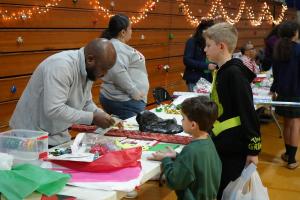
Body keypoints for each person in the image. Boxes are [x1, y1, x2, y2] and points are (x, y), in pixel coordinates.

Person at [9, 38, 116, 146]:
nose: (105, 74)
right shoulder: (61, 66)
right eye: (104, 69)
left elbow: (86, 103)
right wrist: (92, 118)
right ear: (90, 60)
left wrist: (103, 115)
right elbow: (54, 109)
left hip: (55, 135)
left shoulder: (89, 70)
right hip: (29, 137)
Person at [203, 22, 261, 199]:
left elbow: (247, 111)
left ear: (221, 46)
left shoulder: (234, 74)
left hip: (234, 146)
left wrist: (253, 150)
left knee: (228, 191)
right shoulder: (222, 71)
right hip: (222, 143)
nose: (204, 50)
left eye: (208, 45)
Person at [148, 96, 222, 200]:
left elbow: (174, 181)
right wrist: (178, 156)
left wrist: (166, 160)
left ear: (193, 125)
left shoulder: (191, 150)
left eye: (183, 118)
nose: (181, 121)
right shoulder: (208, 141)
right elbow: (198, 165)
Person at [100, 14, 149, 120]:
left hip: (125, 101)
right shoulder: (116, 47)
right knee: (128, 133)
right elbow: (117, 72)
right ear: (123, 32)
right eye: (130, 28)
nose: (131, 31)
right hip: (124, 101)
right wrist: (134, 92)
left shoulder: (117, 46)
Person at [271, 21, 300, 169]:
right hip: (297, 92)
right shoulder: (298, 49)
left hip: (282, 92)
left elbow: (275, 74)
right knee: (295, 124)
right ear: (295, 33)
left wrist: (273, 89)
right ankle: (292, 160)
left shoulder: (278, 49)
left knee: (288, 124)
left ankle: (288, 154)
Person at [182, 19, 217, 92]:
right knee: (197, 102)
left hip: (209, 77)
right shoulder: (192, 41)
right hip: (195, 78)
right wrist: (206, 66)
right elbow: (187, 60)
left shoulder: (211, 42)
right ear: (202, 31)